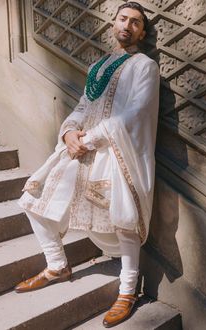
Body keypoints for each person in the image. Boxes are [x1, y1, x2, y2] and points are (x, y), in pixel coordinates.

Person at [15, 2, 160, 328]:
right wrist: (68, 132)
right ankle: (56, 265)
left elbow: (136, 114)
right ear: (114, 23)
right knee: (34, 200)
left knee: (124, 220)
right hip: (81, 149)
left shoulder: (144, 66)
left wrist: (91, 138)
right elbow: (84, 105)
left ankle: (127, 291)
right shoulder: (98, 66)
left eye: (136, 22)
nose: (128, 25)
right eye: (123, 18)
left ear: (142, 32)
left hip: (116, 154)